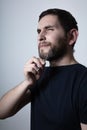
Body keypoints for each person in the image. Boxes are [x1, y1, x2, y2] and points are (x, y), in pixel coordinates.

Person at [0, 8, 87, 130]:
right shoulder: (40, 76)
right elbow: (2, 112)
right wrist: (27, 83)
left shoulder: (83, 80)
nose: (40, 37)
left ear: (71, 37)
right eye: (39, 31)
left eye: (49, 29)